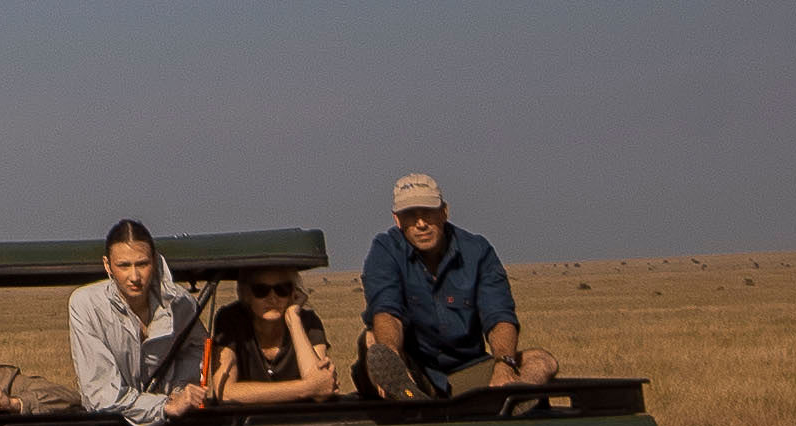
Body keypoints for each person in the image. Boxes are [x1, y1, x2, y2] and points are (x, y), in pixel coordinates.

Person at [357, 173, 559, 399]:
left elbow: (499, 316)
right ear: (397, 220)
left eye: (428, 213)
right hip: (414, 370)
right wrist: (394, 357)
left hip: (465, 370)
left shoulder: (477, 251)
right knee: (373, 341)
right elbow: (387, 312)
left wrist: (504, 365)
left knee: (542, 361)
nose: (421, 224)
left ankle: (514, 394)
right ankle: (404, 394)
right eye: (411, 215)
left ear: (444, 211)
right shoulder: (385, 249)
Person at [68, 219, 210, 426]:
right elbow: (101, 394)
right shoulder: (86, 304)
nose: (134, 276)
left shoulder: (180, 303)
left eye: (142, 264)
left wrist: (180, 391)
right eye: (124, 266)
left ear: (155, 260)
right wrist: (163, 406)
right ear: (107, 265)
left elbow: (199, 350)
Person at [208, 266, 339, 403]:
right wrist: (307, 388)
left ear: (293, 293)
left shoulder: (308, 322)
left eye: (282, 290)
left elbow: (322, 390)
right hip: (246, 422)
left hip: (299, 420)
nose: (273, 298)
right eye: (261, 291)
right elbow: (225, 392)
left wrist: (293, 319)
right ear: (246, 294)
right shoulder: (231, 320)